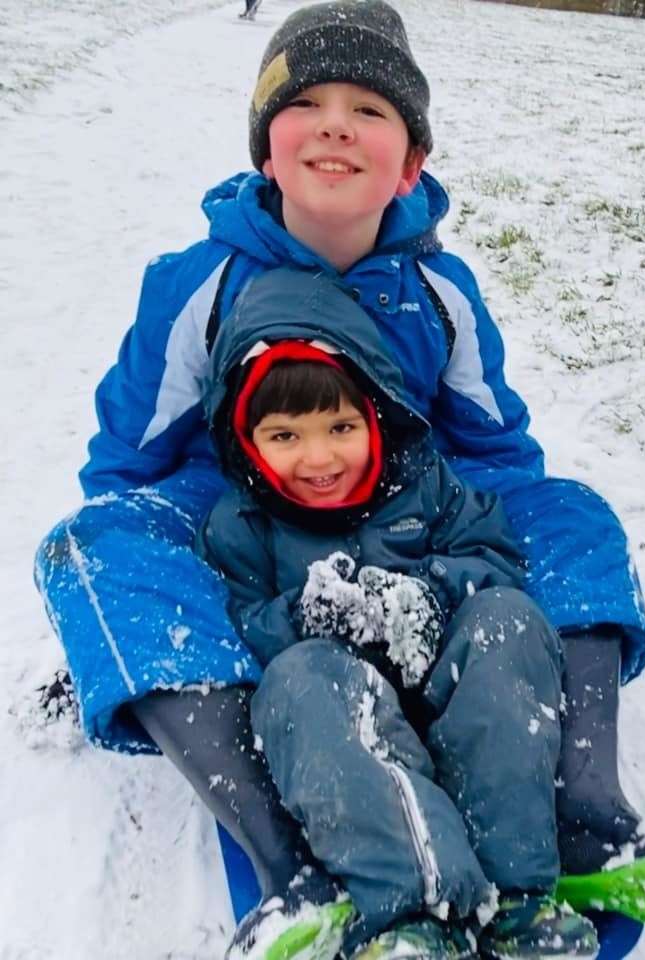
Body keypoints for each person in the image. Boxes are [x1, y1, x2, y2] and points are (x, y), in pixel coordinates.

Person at [33, 2, 645, 958]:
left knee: (570, 512)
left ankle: (583, 810)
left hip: (408, 484)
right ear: (266, 150)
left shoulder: (440, 291)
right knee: (94, 545)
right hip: (233, 488)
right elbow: (133, 457)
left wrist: (452, 545)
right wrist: (143, 596)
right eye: (304, 101)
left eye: (370, 107)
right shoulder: (200, 281)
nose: (335, 123)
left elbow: (493, 448)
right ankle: (292, 869)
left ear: (411, 160)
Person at [194, 266, 600, 960]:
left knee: (506, 617)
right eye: (284, 436)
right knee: (300, 679)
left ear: (375, 415)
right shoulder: (242, 523)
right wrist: (307, 617)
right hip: (348, 729)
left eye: (340, 426)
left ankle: (517, 897)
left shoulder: (427, 483)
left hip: (453, 694)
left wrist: (430, 592)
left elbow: (492, 555)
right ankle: (416, 910)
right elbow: (242, 620)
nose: (318, 458)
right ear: (245, 440)